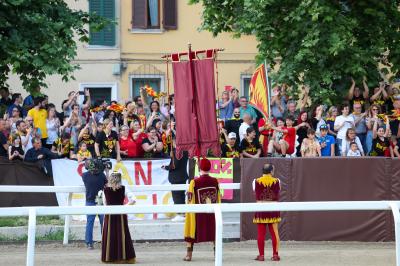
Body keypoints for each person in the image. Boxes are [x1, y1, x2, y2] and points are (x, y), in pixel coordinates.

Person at [183, 158, 221, 261]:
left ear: (199, 168)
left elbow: (190, 200)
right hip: (212, 214)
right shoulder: (215, 181)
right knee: (214, 233)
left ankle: (189, 255)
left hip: (198, 216)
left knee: (191, 232)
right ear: (210, 168)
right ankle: (216, 254)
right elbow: (218, 198)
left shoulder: (194, 182)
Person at [101, 171, 136, 263]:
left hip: (109, 215)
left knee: (110, 235)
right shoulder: (124, 188)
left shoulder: (105, 189)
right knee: (122, 234)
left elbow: (104, 203)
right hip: (121, 214)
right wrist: (124, 207)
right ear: (120, 178)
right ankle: (124, 257)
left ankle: (109, 257)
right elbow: (133, 200)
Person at [253, 163, 281, 262]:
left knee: (261, 234)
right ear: (271, 171)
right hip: (273, 211)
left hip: (261, 211)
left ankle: (261, 255)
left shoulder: (255, 181)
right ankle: (275, 255)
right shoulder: (277, 181)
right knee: (274, 233)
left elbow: (255, 192)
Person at [81, 159, 107, 249]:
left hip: (92, 200)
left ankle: (89, 243)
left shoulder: (84, 175)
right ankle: (105, 241)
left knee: (91, 222)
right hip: (98, 200)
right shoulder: (101, 175)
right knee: (102, 222)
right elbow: (107, 183)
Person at [167, 148, 189, 222]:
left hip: (176, 177)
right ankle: (183, 213)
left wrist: (165, 167)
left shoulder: (177, 151)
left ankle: (180, 214)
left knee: (177, 196)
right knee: (181, 196)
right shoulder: (185, 150)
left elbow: (174, 165)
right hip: (182, 176)